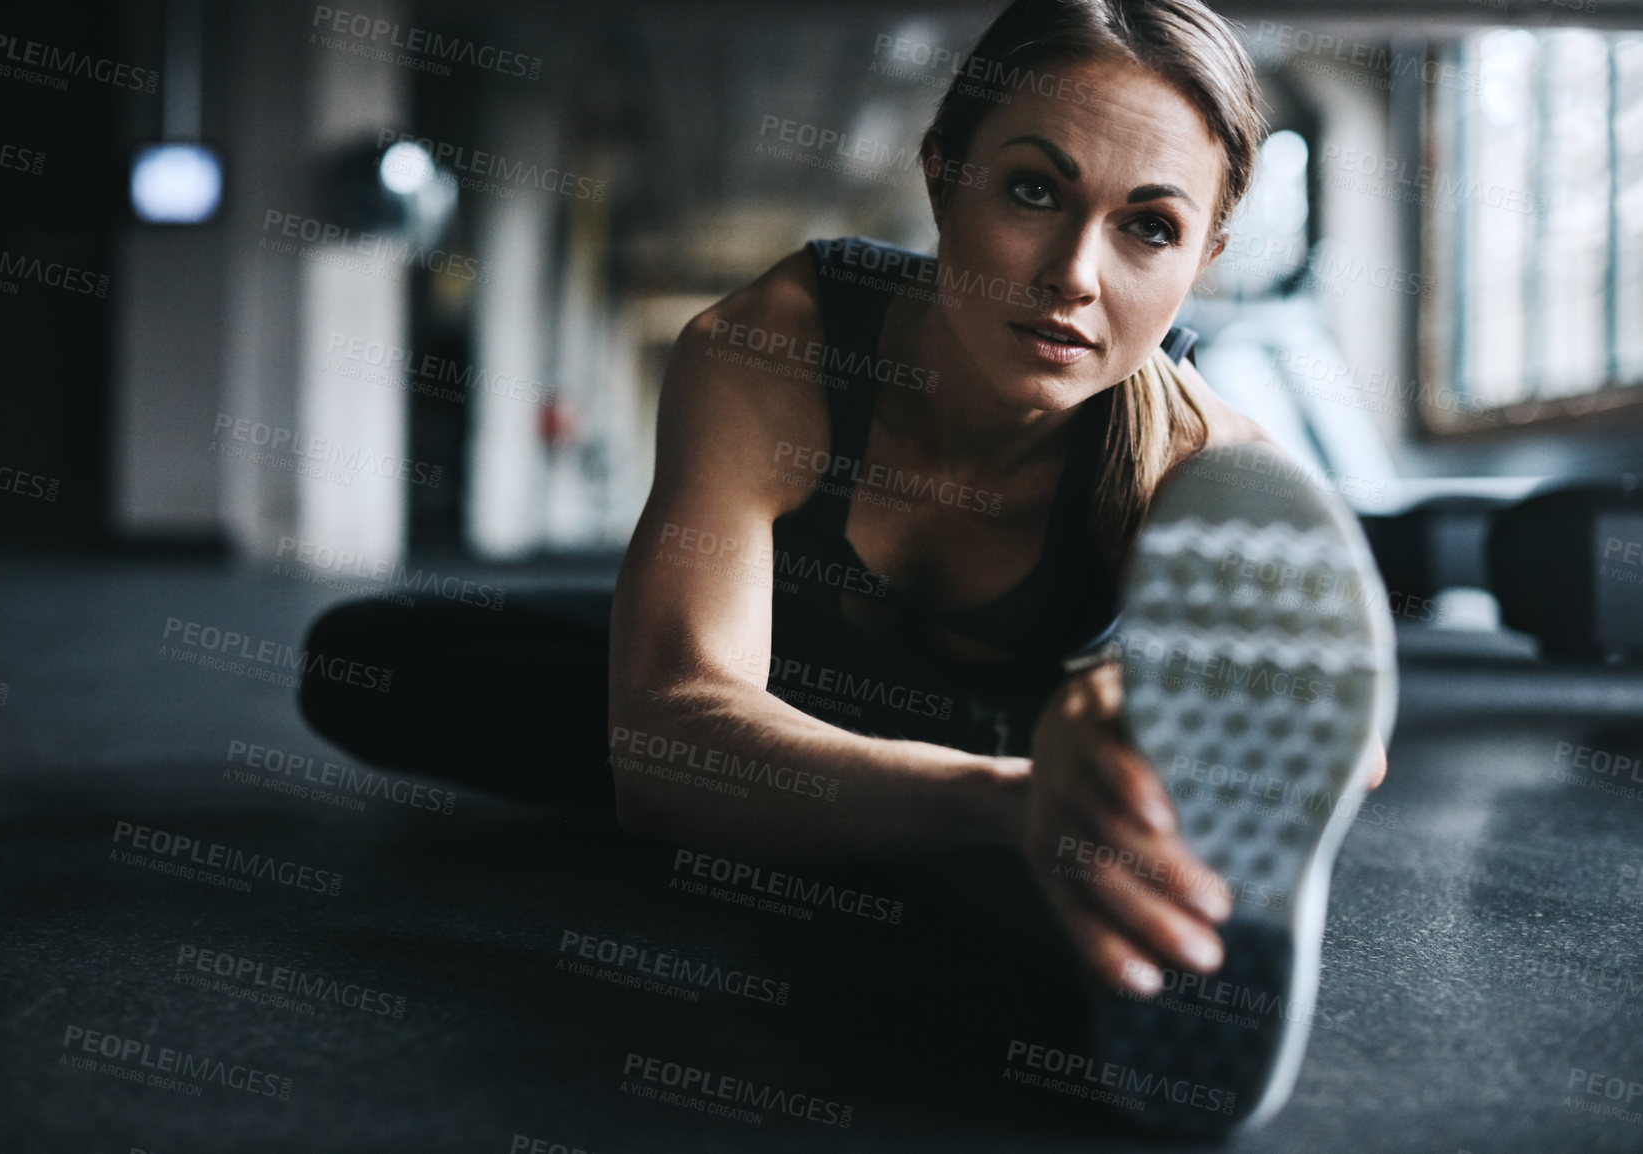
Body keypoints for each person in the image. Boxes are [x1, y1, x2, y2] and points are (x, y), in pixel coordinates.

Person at [300, 0, 1392, 1133]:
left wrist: (1122, 730)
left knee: (1021, 815)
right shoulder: (767, 351)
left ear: (1206, 256)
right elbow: (672, 741)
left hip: (1003, 736)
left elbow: (1337, 740)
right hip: (785, 690)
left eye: (1149, 227)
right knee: (363, 660)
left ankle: (1136, 895)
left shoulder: (1209, 466)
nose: (1075, 273)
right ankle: (1014, 826)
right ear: (942, 177)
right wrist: (1008, 802)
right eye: (1031, 191)